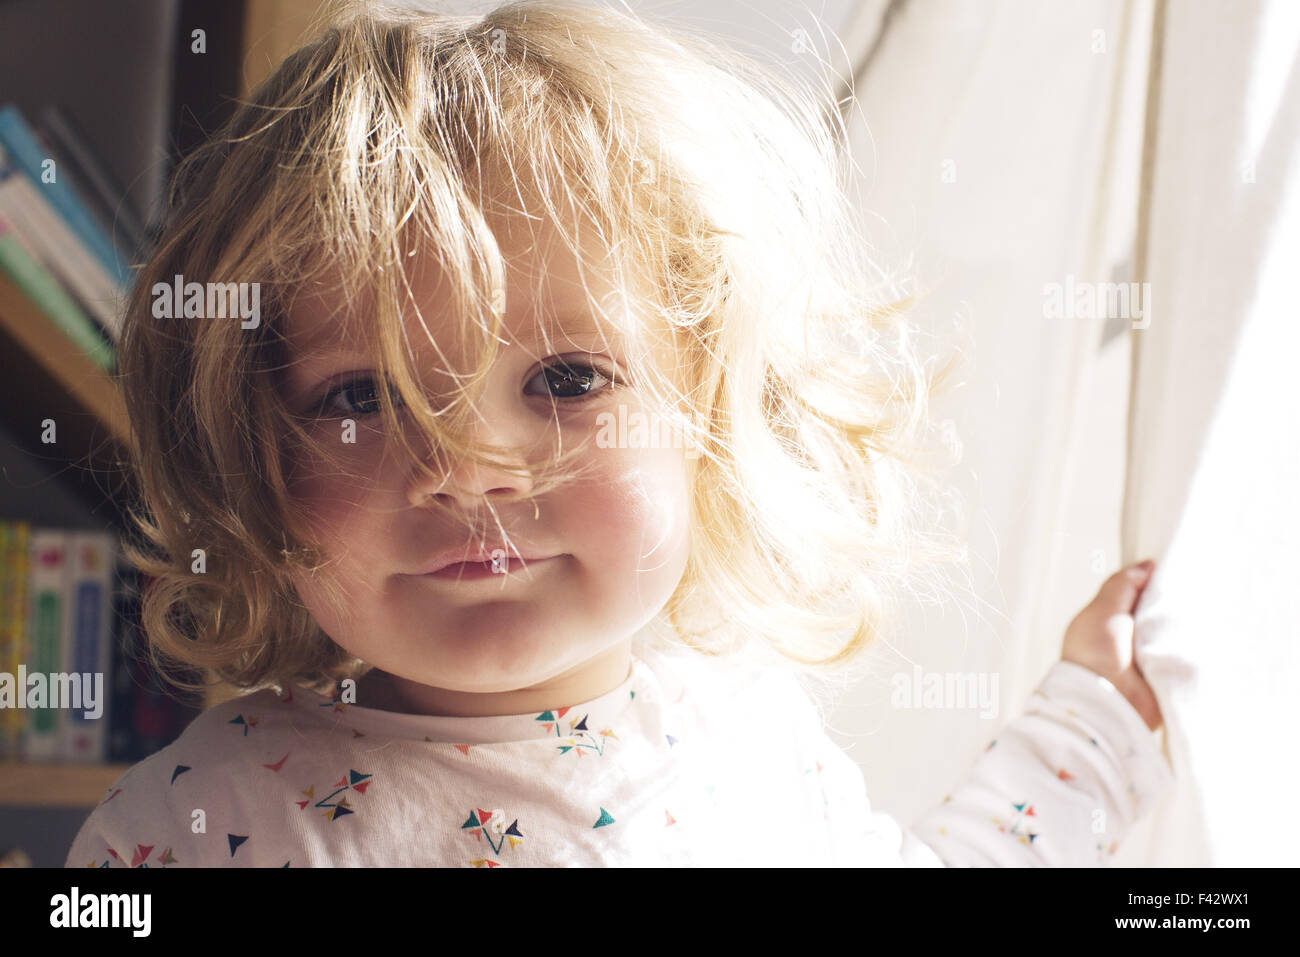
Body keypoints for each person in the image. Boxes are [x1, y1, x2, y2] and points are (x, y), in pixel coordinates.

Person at [66, 0, 1171, 867]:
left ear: (712, 417)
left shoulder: (754, 747)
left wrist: (1086, 723)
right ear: (253, 449)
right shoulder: (191, 829)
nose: (471, 466)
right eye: (363, 397)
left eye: (566, 376)